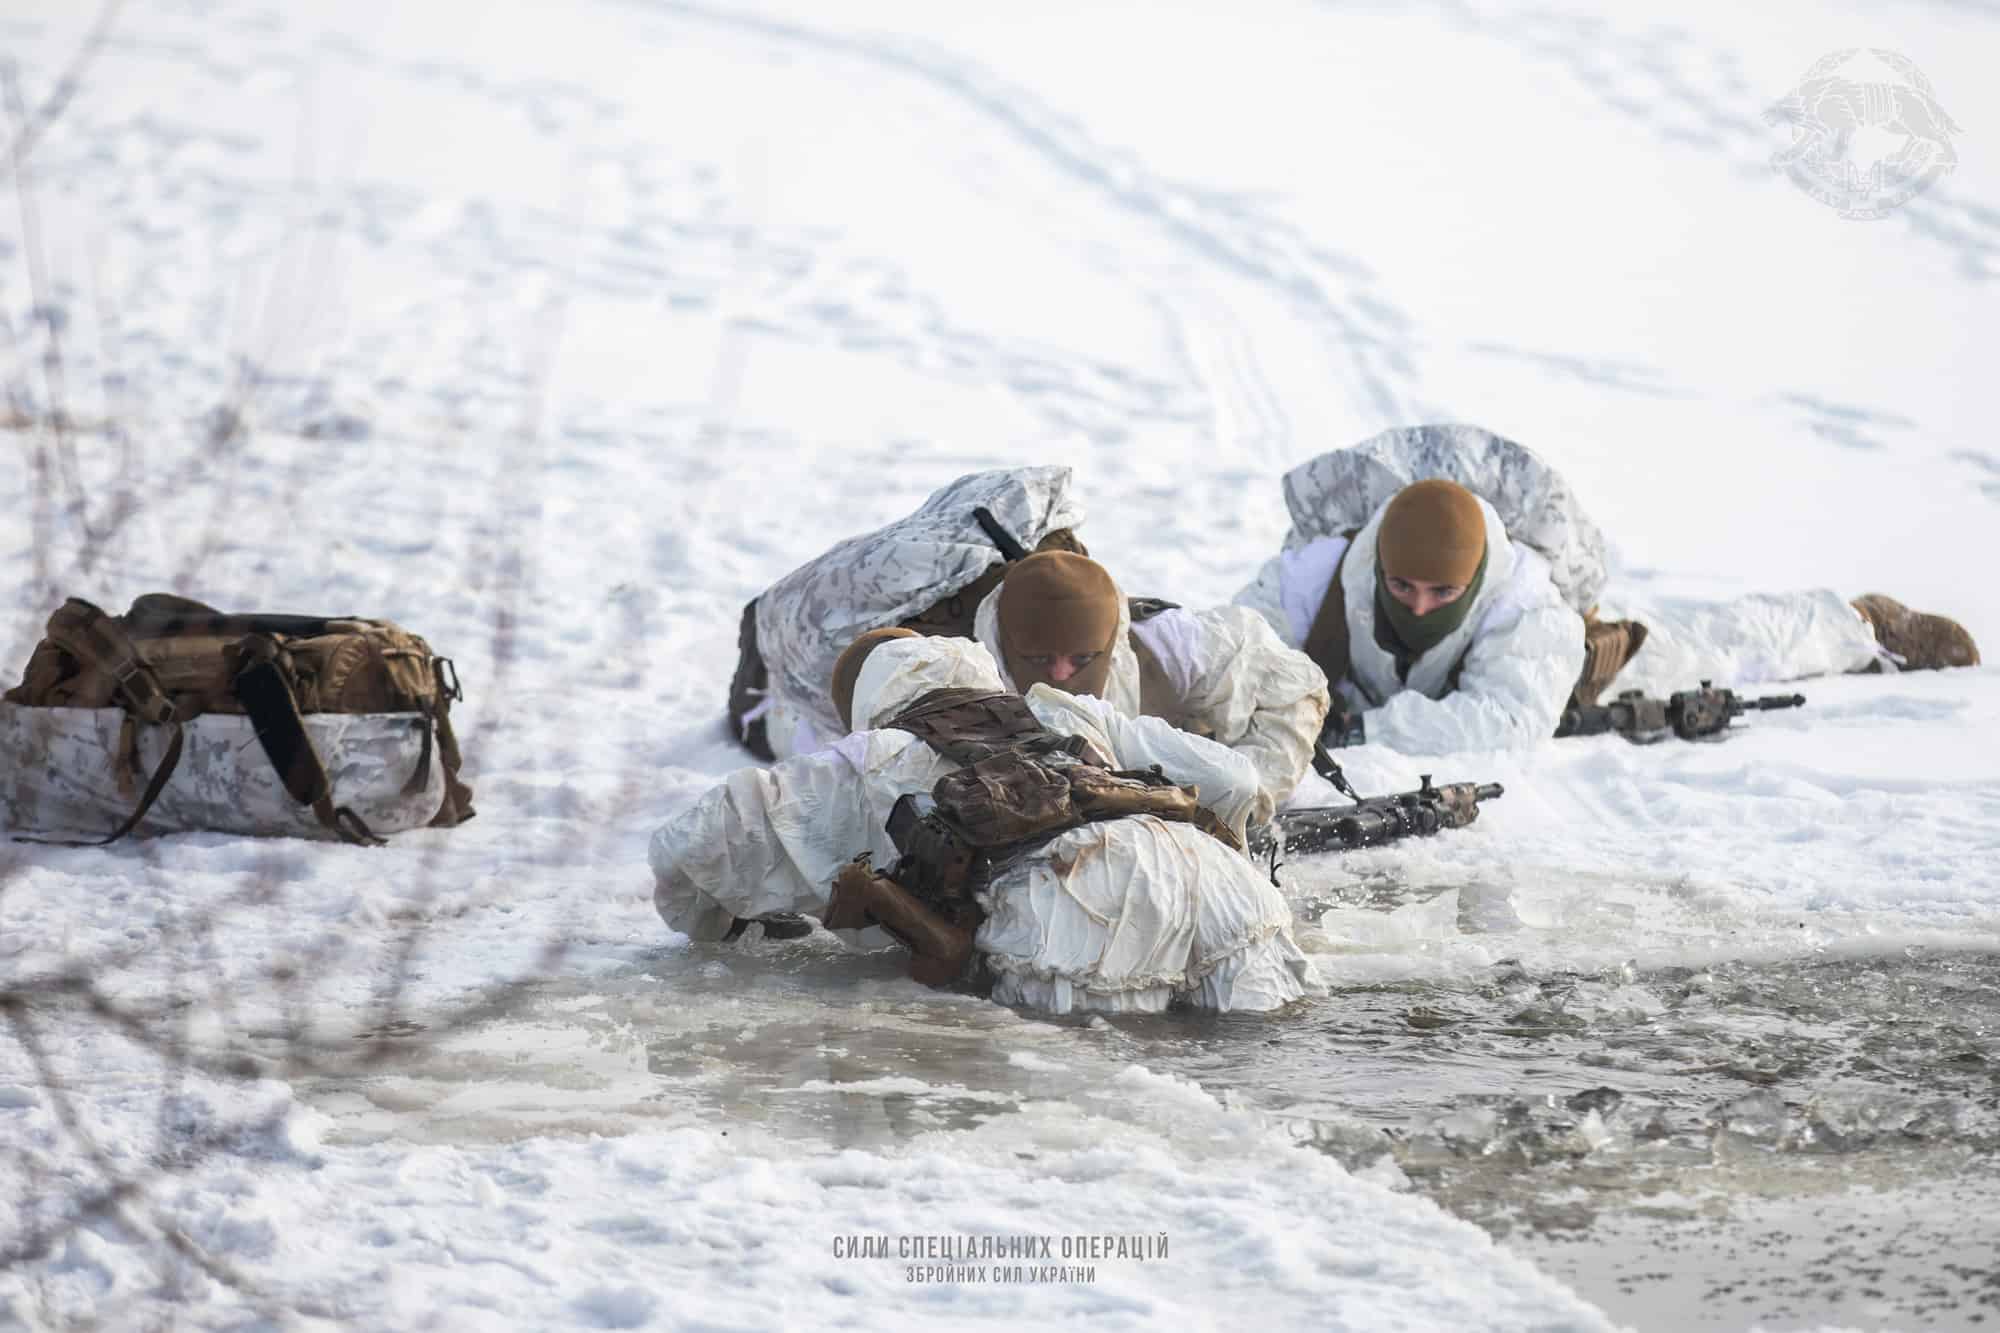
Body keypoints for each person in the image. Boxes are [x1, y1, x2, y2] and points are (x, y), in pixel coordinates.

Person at [653, 632, 1322, 1015]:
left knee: (1107, 1100)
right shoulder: (1068, 715)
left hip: (1074, 905)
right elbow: (1237, 781)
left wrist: (720, 924)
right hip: (1217, 879)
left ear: (873, 703)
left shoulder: (870, 754)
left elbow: (690, 841)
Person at [1236, 425, 1980, 754]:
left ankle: (1860, 626)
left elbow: (1503, 719)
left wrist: (1362, 732)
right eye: (1402, 588)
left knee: (1710, 646)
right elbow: (1233, 644)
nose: (1420, 606)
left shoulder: (1526, 600)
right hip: (1388, 689)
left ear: (1473, 583)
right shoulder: (1323, 570)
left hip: (1566, 669)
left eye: (1441, 592)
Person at [966, 551, 1329, 825]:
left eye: (1081, 659)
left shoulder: (1164, 641)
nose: (1061, 674)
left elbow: (1293, 687)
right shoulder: (964, 669)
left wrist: (1239, 803)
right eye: (1040, 658)